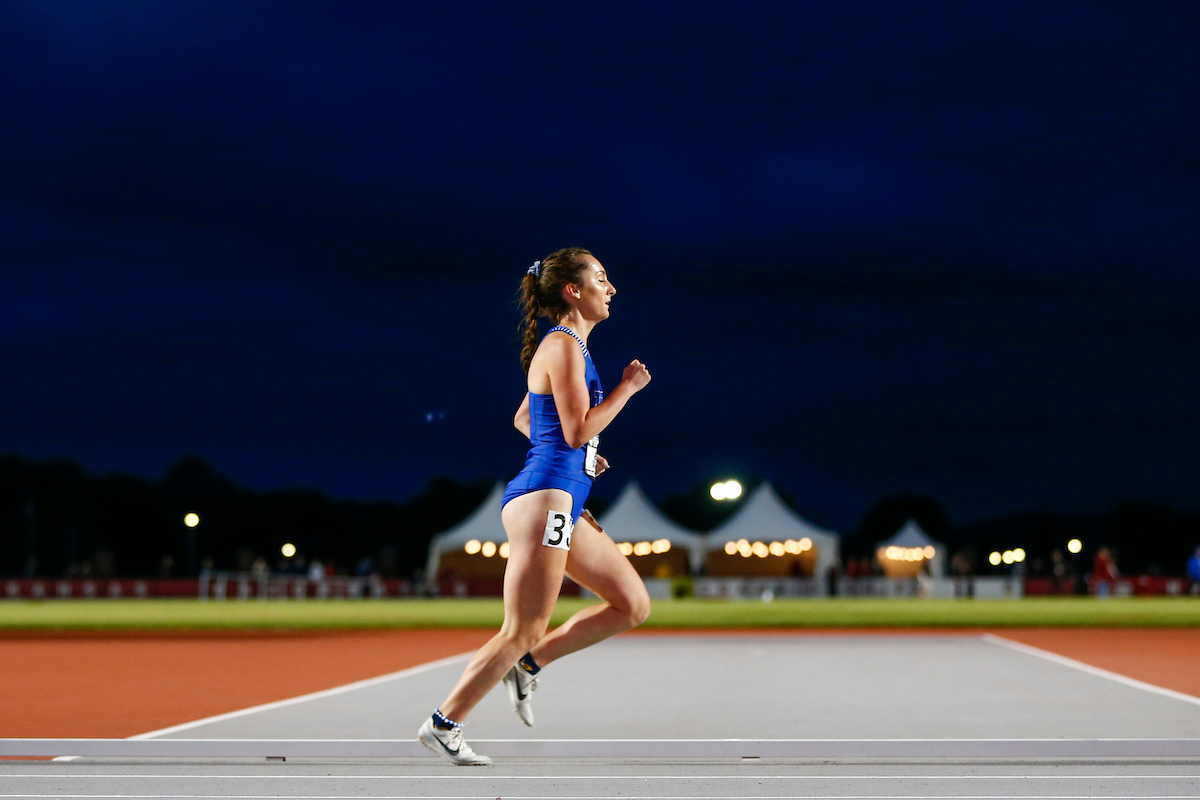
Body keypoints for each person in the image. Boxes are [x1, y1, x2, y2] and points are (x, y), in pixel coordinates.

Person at [417, 247, 653, 766]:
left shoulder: (569, 349)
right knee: (522, 626)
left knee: (631, 604)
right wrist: (627, 390)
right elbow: (574, 429)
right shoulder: (563, 345)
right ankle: (445, 722)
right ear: (573, 291)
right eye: (601, 279)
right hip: (546, 497)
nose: (611, 289)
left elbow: (527, 418)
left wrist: (584, 460)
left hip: (560, 495)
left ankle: (529, 665)